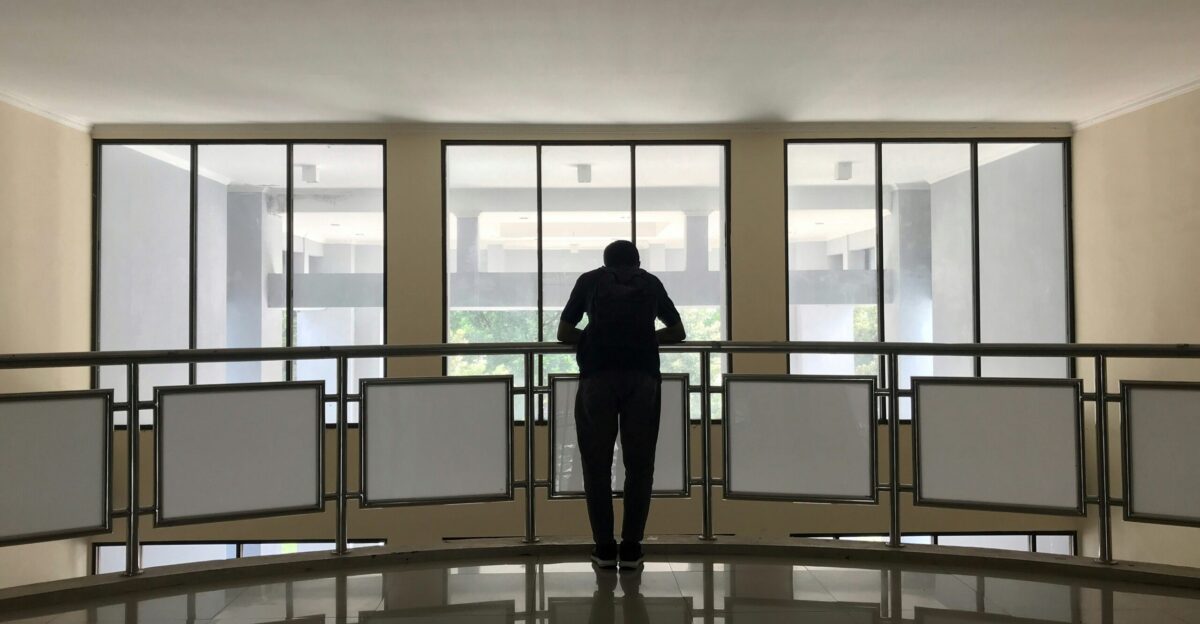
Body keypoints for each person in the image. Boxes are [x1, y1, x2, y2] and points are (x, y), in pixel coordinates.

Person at [557, 240, 686, 570]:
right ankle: (631, 548)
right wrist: (644, 339)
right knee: (640, 465)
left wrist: (593, 340)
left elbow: (564, 332)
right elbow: (677, 331)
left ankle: (603, 548)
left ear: (605, 263)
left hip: (597, 378)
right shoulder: (651, 282)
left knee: (596, 465)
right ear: (637, 263)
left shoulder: (589, 281)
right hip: (643, 378)